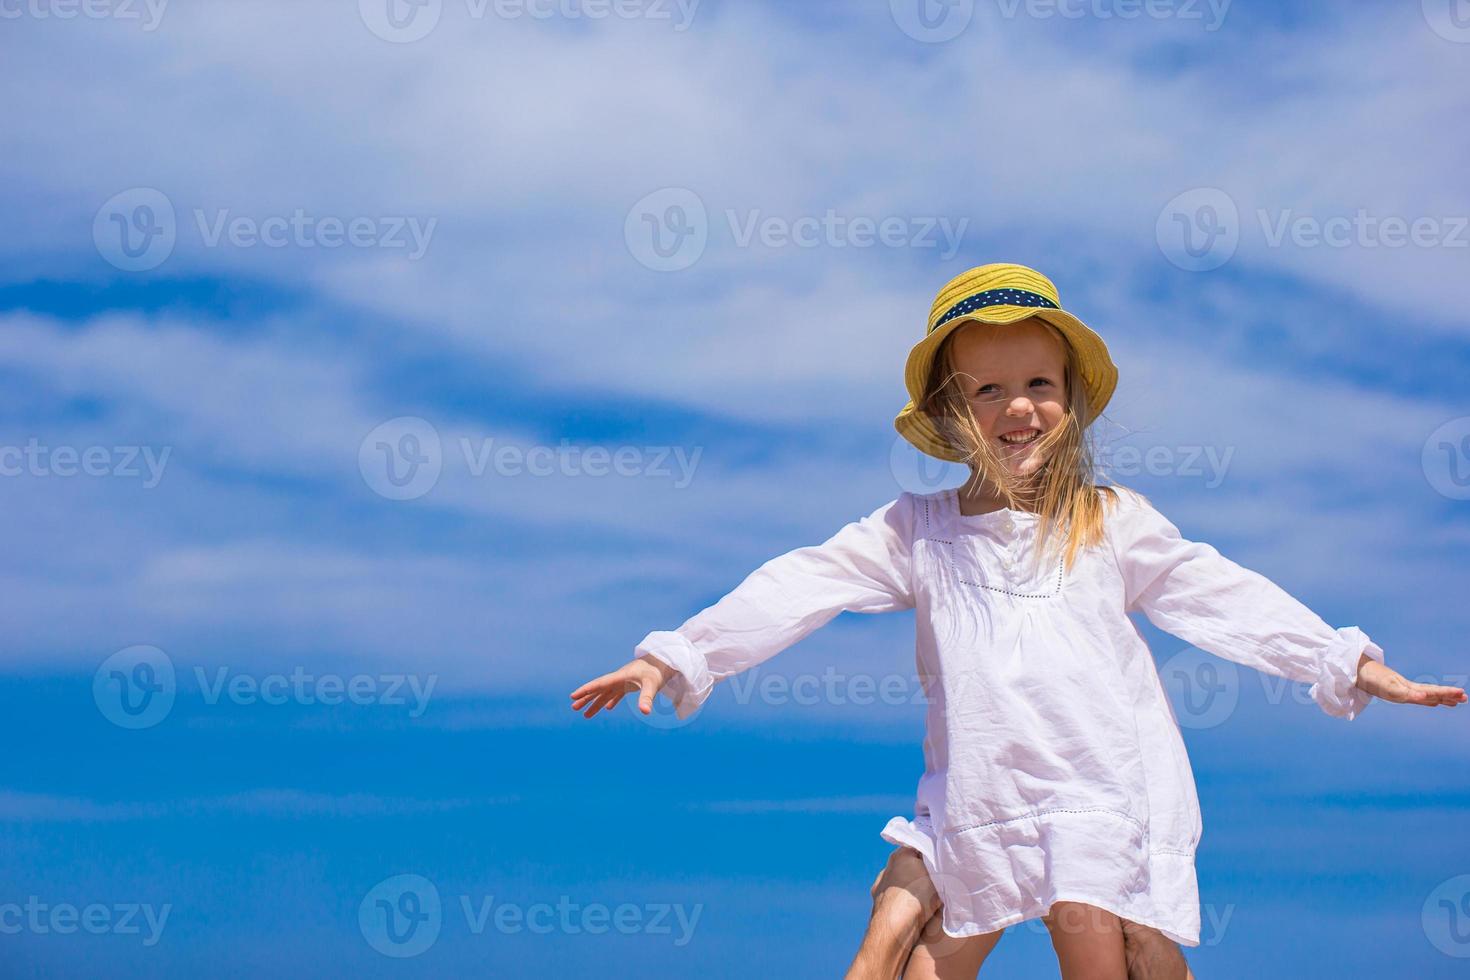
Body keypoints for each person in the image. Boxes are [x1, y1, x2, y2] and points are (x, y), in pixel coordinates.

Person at [570, 263, 1465, 978]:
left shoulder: (1111, 520)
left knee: (1097, 946)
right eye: (988, 389)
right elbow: (799, 585)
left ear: (1070, 398)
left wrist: (1342, 660)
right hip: (980, 800)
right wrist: (677, 655)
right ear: (950, 416)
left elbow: (1218, 592)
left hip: (1098, 791)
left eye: (1039, 381)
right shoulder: (915, 531)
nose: (1018, 406)